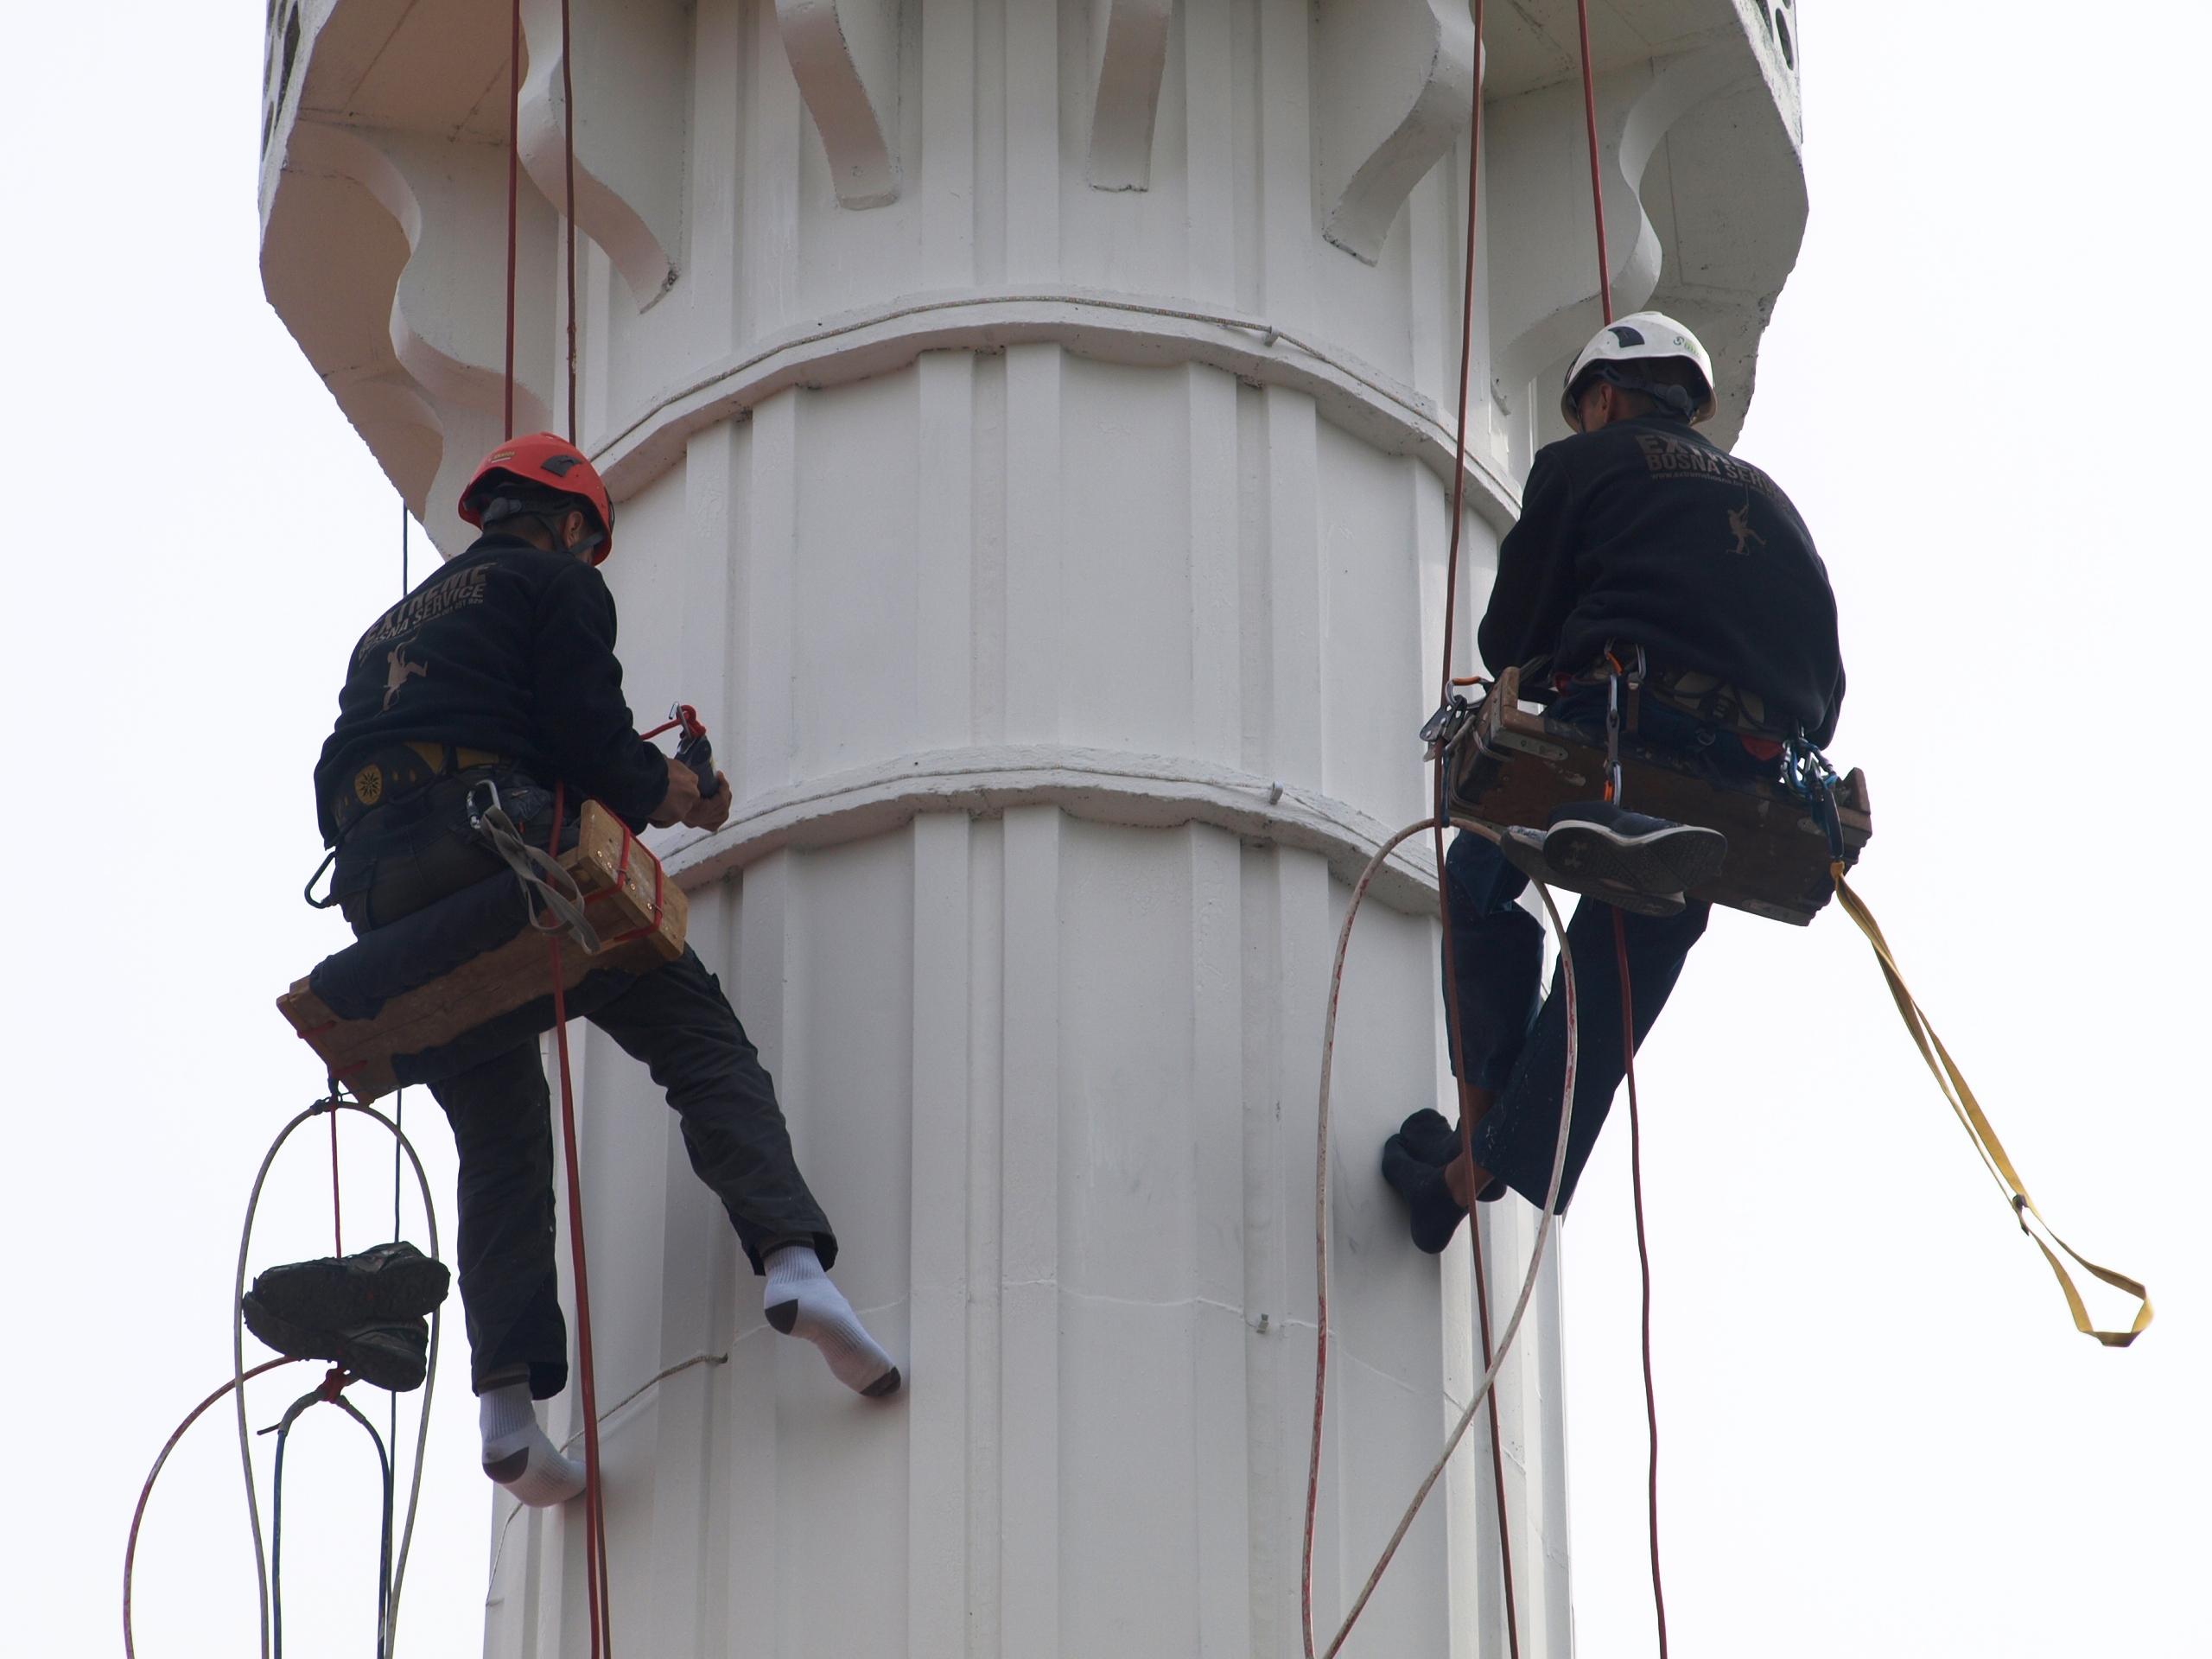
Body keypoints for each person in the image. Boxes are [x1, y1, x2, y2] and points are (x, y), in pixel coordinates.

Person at [312, 434, 901, 1507]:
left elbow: (339, 767)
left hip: (385, 902)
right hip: (501, 849)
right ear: (574, 524)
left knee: (496, 1136)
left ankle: (506, 1411)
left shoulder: (380, 633)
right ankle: (794, 1268)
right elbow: (596, 752)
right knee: (694, 1035)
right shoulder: (554, 586)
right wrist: (680, 790)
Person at [1383, 313, 1845, 1251]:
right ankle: (1477, 1175)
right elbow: (1825, 687)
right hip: (1748, 780)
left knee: (1478, 875)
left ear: (1601, 398)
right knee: (1630, 953)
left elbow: (1510, 636)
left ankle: (1474, 1145)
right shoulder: (1774, 502)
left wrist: (1555, 666)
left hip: (1629, 743)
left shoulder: (1582, 465)